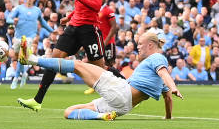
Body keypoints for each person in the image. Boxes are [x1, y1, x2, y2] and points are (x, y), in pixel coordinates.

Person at [17, 31, 183, 120]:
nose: (137, 47)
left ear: (150, 45)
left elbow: (164, 72)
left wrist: (174, 86)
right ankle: (101, 116)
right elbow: (167, 98)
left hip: (121, 92)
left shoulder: (157, 57)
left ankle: (32, 59)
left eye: (140, 44)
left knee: (78, 65)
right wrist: (168, 118)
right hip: (122, 108)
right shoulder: (159, 75)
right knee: (68, 112)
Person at [18, 0, 106, 111]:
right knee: (54, 60)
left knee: (101, 68)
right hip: (74, 26)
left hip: (88, 29)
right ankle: (38, 100)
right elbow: (81, 4)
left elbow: (96, 5)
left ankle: (125, 89)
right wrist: (70, 16)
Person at [6, 0, 53, 89]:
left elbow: (43, 22)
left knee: (22, 54)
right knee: (19, 57)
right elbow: (8, 19)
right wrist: (13, 21)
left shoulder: (37, 10)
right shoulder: (18, 8)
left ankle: (15, 78)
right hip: (18, 37)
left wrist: (52, 31)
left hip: (30, 37)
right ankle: (23, 74)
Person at [85, 0, 122, 94]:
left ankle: (123, 83)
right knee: (96, 64)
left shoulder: (108, 10)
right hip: (97, 42)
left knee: (109, 64)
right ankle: (95, 85)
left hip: (108, 42)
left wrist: (105, 41)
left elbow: (114, 27)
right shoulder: (95, 10)